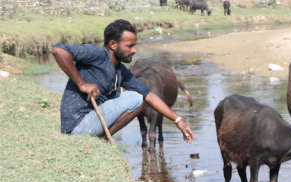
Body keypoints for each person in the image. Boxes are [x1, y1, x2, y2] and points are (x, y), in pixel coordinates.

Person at [51, 19, 194, 143]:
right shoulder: (97, 54)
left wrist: (178, 120)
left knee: (139, 96)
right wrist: (82, 83)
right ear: (113, 44)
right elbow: (59, 50)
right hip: (77, 125)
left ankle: (102, 140)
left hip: (92, 122)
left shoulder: (121, 71)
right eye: (130, 46)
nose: (135, 50)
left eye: (135, 45)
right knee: (136, 99)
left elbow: (149, 95)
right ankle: (102, 140)